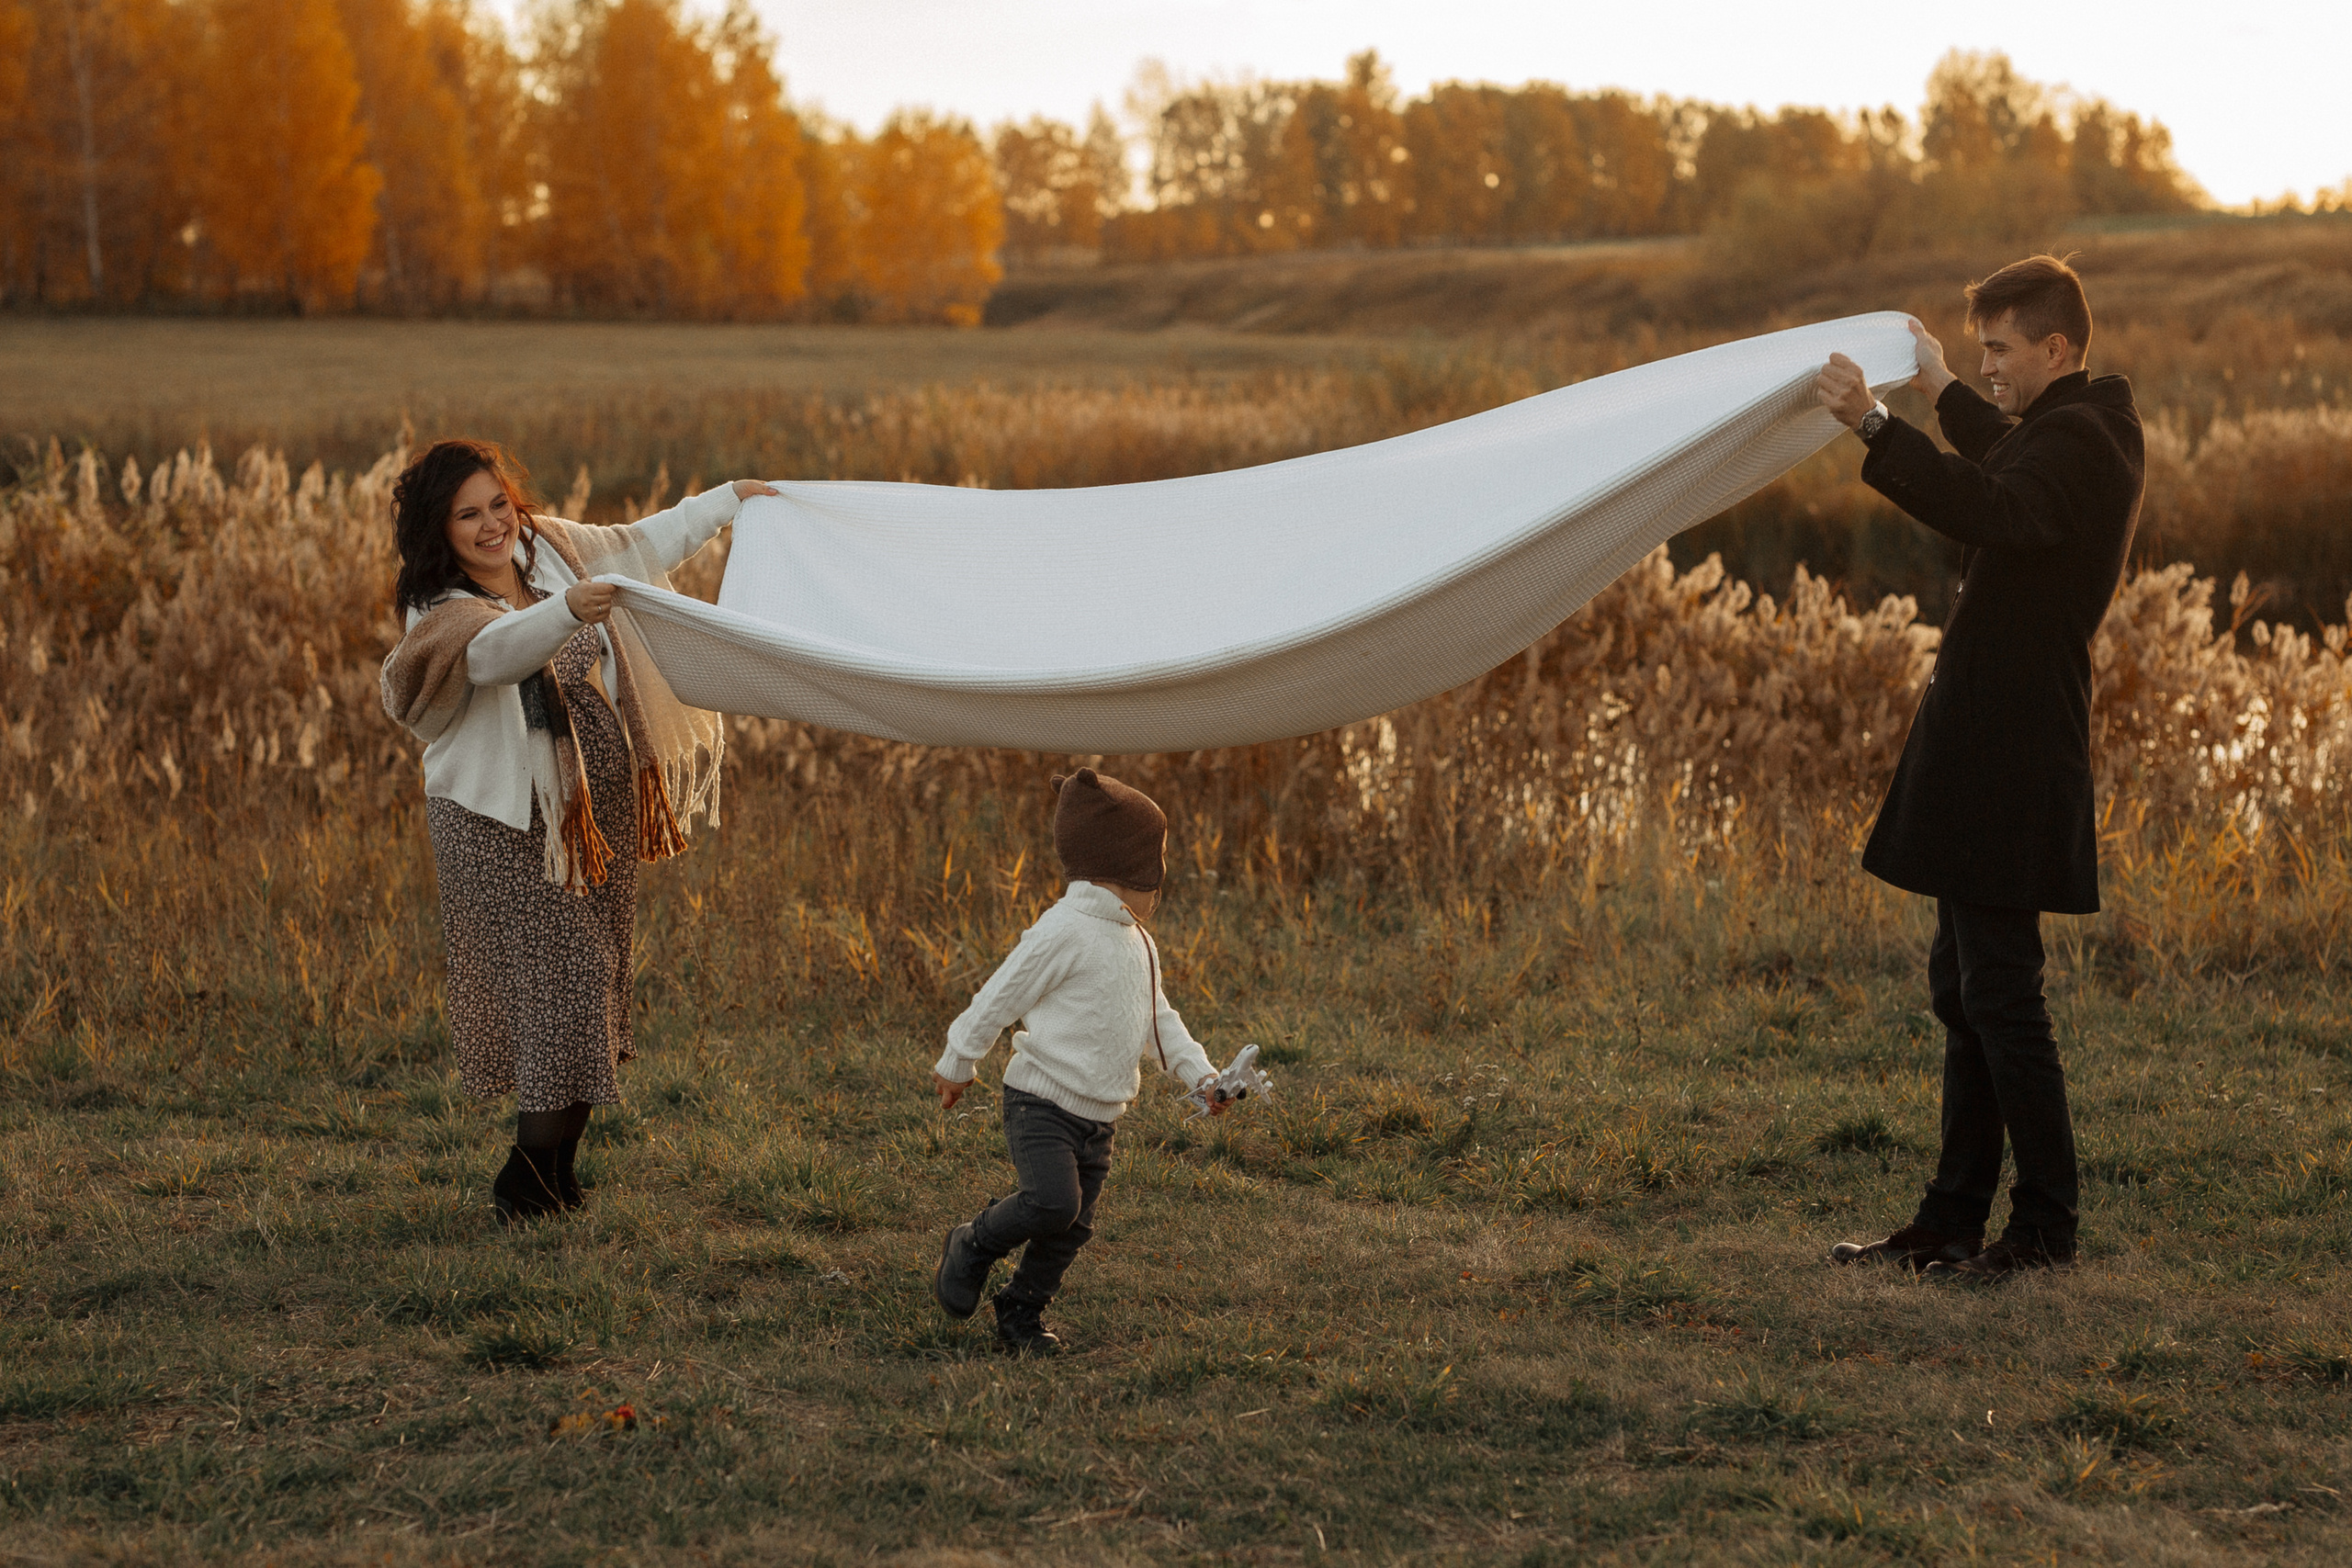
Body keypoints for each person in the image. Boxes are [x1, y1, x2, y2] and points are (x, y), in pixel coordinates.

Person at [1813, 255, 2144, 1280]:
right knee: (1964, 988)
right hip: (1988, 742)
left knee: (2000, 994)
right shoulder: (2068, 427)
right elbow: (2003, 455)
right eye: (1982, 349)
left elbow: (1995, 505)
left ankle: (2043, 1231)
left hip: (2013, 750)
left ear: (2056, 346)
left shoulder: (2083, 442)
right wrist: (1939, 383)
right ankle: (1951, 1219)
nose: (1991, 365)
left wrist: (1877, 427)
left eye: (2001, 349)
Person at [379, 438, 778, 1224]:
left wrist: (730, 497)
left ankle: (558, 1175)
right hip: (501, 819)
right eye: (468, 515)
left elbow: (640, 541)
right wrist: (566, 612)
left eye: (499, 503)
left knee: (593, 978)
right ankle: (525, 1179)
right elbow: (495, 656)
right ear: (439, 529)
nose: (492, 524)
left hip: (591, 807)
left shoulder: (551, 548)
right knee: (563, 981)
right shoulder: (440, 609)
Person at [929, 768, 1235, 1355]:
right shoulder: (1064, 930)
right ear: (1118, 873)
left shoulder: (1139, 943)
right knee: (1053, 1203)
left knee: (1072, 1226)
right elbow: (1001, 994)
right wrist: (959, 1059)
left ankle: (1021, 1312)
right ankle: (973, 1243)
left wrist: (1203, 1078)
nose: (1158, 893)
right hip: (1041, 1101)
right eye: (1152, 876)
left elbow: (1158, 1021)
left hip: (1101, 1115)